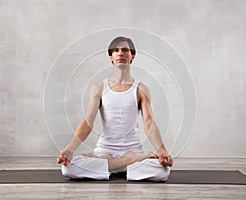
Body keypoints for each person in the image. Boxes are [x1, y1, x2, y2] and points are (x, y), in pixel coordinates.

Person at [57, 36, 173, 181]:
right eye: (116, 51)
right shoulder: (99, 87)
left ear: (132, 56)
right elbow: (87, 122)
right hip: (106, 151)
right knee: (68, 167)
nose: (120, 53)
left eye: (125, 50)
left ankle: (111, 167)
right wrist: (69, 149)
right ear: (111, 57)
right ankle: (126, 164)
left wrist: (162, 153)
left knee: (162, 171)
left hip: (132, 150)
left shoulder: (141, 89)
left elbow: (149, 123)